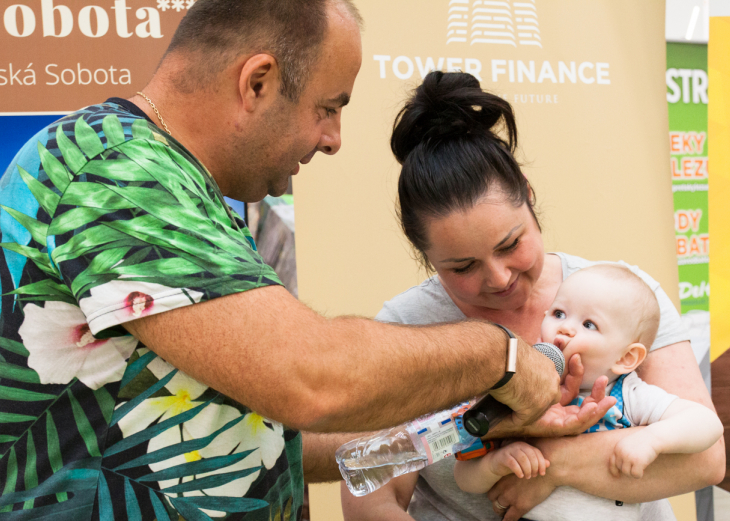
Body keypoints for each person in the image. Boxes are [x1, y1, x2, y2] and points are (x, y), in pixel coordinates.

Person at [0, 2, 570, 520]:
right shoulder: (116, 170)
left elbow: (265, 436)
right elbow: (310, 377)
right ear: (258, 82)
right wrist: (503, 356)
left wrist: (465, 427)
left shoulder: (187, 190)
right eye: (327, 108)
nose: (333, 139)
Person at [337, 71, 724, 521]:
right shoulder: (405, 328)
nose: (498, 278)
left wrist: (551, 466)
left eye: (510, 245)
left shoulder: (623, 296)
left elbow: (706, 458)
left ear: (528, 192)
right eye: (462, 267)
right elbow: (373, 496)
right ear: (424, 254)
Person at [453, 264, 723, 520]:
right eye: (559, 313)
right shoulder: (520, 393)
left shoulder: (625, 396)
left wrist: (652, 439)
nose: (565, 327)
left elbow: (707, 424)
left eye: (589, 324)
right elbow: (464, 478)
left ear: (627, 357)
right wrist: (495, 465)